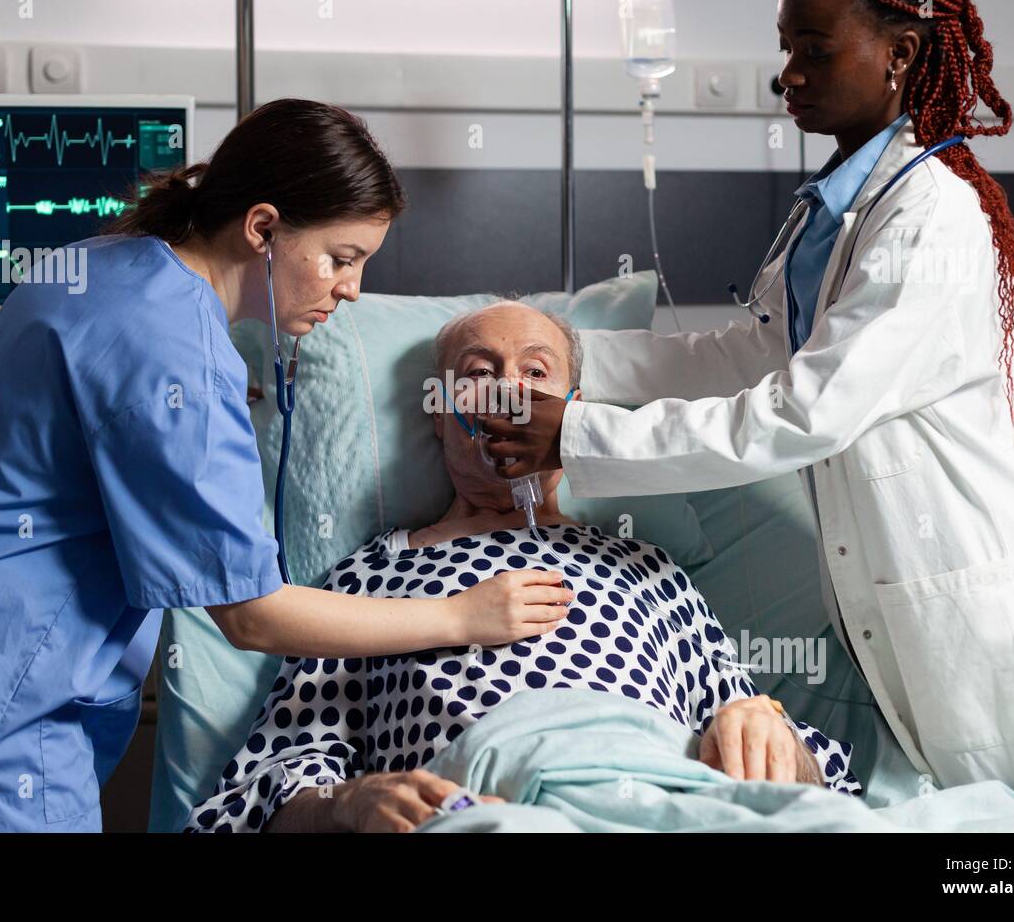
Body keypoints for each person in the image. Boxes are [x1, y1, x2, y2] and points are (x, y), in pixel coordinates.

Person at [0, 99, 569, 833]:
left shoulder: (104, 265)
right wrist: (458, 615)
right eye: (341, 259)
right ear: (263, 228)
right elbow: (250, 615)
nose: (351, 288)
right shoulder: (176, 360)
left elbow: (109, 405)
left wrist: (196, 403)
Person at [482, 0, 1014, 832]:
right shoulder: (840, 206)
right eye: (785, 48)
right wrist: (577, 354)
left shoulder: (934, 220)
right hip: (898, 593)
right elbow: (752, 353)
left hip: (974, 588)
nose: (787, 74)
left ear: (901, 54)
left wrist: (577, 435)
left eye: (814, 49)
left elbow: (803, 410)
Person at [185, 302, 858, 833]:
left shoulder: (647, 568)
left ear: (578, 415)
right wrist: (351, 805)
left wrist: (767, 726)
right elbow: (263, 791)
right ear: (441, 421)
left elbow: (786, 762)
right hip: (478, 801)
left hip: (663, 791)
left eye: (536, 374)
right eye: (478, 375)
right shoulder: (367, 579)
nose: (509, 390)